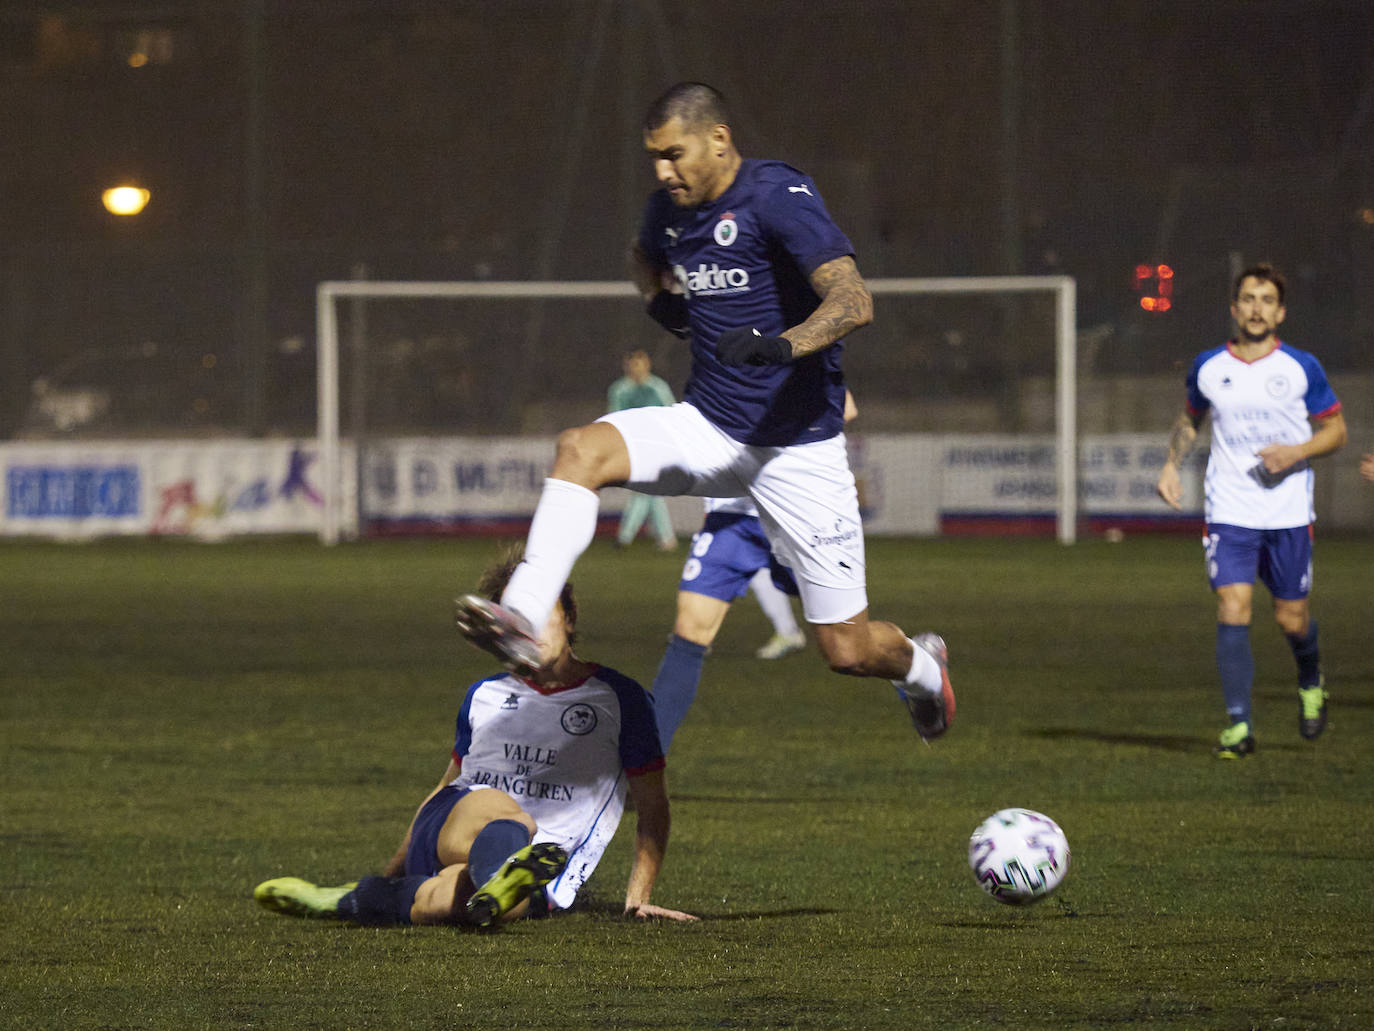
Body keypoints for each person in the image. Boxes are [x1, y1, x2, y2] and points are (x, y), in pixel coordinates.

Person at [454, 81, 955, 745]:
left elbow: (853, 301)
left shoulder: (777, 195)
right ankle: (521, 615)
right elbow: (643, 256)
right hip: (710, 428)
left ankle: (923, 671)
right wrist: (662, 304)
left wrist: (783, 344)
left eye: (674, 153)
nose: (664, 171)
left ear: (720, 140)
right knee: (579, 448)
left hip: (798, 448)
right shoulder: (668, 209)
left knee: (847, 648)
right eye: (655, 157)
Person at [255, 549, 697, 928]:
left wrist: (638, 898)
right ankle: (494, 873)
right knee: (510, 817)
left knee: (462, 902)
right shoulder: (484, 695)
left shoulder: (622, 700)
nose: (532, 629)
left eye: (544, 613)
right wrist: (395, 864)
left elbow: (654, 807)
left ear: (570, 617)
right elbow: (447, 786)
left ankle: (346, 901)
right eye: (518, 620)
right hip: (457, 824)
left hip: (542, 877)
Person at [1155, 263, 1347, 758]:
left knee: (1290, 620)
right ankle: (1239, 726)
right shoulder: (1209, 365)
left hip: (1286, 513)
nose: (1256, 308)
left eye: (1266, 300)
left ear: (1279, 312)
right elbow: (1191, 417)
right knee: (1232, 608)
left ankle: (1311, 680)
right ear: (1235, 308)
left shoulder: (1301, 367)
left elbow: (1336, 432)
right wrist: (1171, 464)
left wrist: (1295, 452)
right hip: (1230, 509)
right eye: (1248, 298)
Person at [653, 390, 858, 750]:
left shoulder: (794, 343)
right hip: (731, 521)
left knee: (848, 644)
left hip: (787, 513)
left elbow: (846, 407)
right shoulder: (712, 355)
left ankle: (916, 670)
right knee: (688, 631)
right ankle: (645, 765)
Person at [607, 349, 678, 550]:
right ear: (626, 366)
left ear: (647, 364)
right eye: (632, 363)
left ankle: (624, 537)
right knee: (650, 492)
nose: (636, 368)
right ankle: (666, 538)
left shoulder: (658, 387)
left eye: (640, 363)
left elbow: (671, 414)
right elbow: (614, 418)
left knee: (644, 491)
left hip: (656, 446)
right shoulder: (619, 389)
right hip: (633, 446)